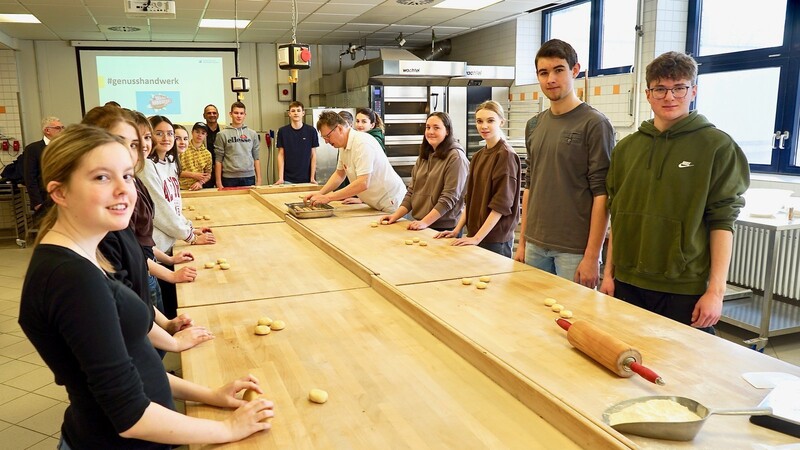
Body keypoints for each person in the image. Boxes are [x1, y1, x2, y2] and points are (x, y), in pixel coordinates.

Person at [18, 124, 274, 449]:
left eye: (126, 175)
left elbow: (135, 363)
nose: (124, 190)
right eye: (101, 177)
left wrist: (210, 395)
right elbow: (130, 415)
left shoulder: (86, 257)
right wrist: (228, 430)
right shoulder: (73, 281)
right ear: (60, 192)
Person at [600, 51, 750, 333]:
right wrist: (608, 274)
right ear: (648, 94)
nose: (669, 97)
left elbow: (723, 222)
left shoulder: (717, 146)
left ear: (693, 90)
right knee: (626, 365)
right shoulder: (627, 149)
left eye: (679, 88)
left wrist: (715, 292)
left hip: (682, 288)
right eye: (660, 89)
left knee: (683, 371)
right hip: (627, 283)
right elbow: (617, 216)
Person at [83, 105, 210, 356]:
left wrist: (165, 324)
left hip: (150, 274)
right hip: (136, 327)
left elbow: (138, 294)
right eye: (124, 142)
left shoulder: (118, 225)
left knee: (156, 351)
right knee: (151, 352)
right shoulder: (96, 240)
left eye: (142, 139)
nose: (141, 146)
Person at [513, 39, 614, 288]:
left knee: (570, 321)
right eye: (543, 73)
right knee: (532, 317)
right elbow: (530, 187)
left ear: (575, 70)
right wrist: (523, 242)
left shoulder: (594, 124)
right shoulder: (534, 125)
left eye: (559, 70)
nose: (551, 79)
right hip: (535, 244)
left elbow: (602, 195)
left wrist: (592, 257)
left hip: (574, 251)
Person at [434, 101, 520, 258]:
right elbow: (470, 200)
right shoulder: (479, 156)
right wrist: (456, 230)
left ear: (502, 122)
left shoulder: (506, 155)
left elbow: (501, 205)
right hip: (475, 235)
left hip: (495, 240)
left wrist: (477, 238)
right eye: (479, 121)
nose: (484, 126)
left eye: (490, 120)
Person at [380, 112, 468, 232]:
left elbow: (449, 198)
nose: (430, 131)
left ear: (447, 131)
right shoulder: (424, 155)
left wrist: (424, 222)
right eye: (428, 127)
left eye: (436, 128)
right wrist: (395, 216)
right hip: (421, 223)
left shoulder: (456, 157)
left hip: (444, 227)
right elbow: (411, 191)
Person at [307, 111, 406, 213]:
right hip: (375, 202)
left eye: (328, 136)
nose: (327, 141)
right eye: (324, 138)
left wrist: (328, 198)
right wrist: (320, 193)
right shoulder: (343, 145)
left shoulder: (362, 143)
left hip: (391, 201)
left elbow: (363, 183)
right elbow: (339, 174)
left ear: (340, 128)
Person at [23, 116, 64, 222]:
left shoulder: (64, 147)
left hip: (64, 196)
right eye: (58, 128)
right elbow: (30, 177)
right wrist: (37, 202)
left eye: (63, 127)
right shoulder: (33, 149)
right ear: (47, 130)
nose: (62, 130)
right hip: (44, 198)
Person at [214, 102, 260, 188]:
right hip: (229, 178)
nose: (239, 116)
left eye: (241, 113)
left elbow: (256, 158)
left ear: (245, 115)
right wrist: (218, 182)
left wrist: (259, 180)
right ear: (230, 114)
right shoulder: (222, 134)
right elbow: (218, 160)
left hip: (249, 177)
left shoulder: (252, 134)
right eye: (236, 113)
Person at [275, 101, 319, 184]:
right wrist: (281, 178)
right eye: (293, 111)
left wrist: (312, 178)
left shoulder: (311, 131)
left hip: (306, 179)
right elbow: (281, 154)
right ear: (289, 113)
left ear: (303, 113)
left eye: (298, 110)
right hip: (287, 179)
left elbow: (313, 155)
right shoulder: (282, 131)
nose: (296, 113)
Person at [179, 123, 212, 190]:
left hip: (197, 189)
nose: (199, 135)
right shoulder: (182, 148)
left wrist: (200, 183)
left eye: (203, 133)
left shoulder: (207, 154)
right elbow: (174, 171)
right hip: (180, 188)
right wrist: (193, 175)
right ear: (192, 132)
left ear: (206, 135)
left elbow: (208, 175)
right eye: (197, 132)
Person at [202, 104, 222, 188]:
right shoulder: (200, 132)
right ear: (204, 116)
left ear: (218, 115)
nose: (212, 115)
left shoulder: (225, 131)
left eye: (214, 113)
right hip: (206, 171)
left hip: (223, 170)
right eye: (209, 113)